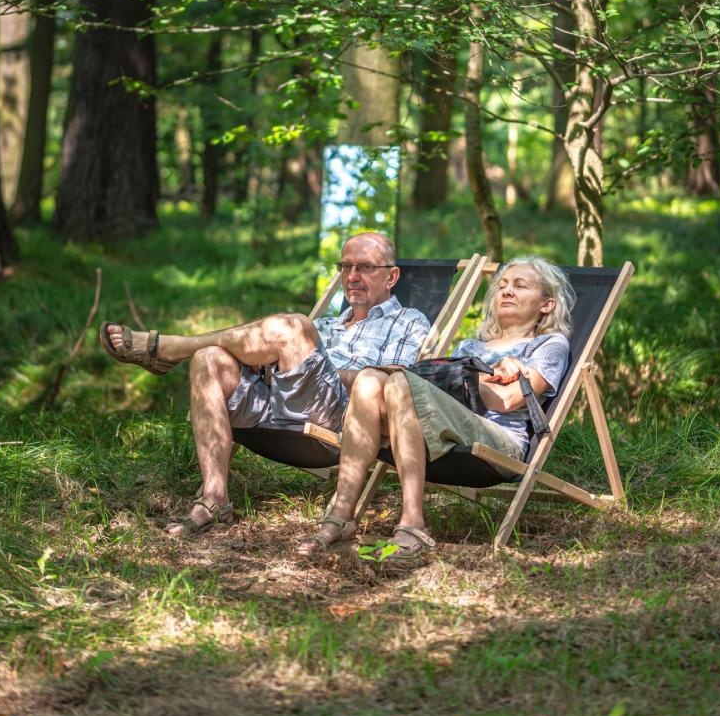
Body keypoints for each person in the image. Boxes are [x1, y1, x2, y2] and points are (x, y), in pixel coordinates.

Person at [99, 232, 430, 535]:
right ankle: (215, 498)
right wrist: (277, 365)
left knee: (295, 327)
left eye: (365, 267)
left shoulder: (409, 322)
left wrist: (303, 361)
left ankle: (172, 348)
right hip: (278, 401)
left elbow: (392, 387)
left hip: (341, 419)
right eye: (346, 267)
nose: (352, 276)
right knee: (209, 359)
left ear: (391, 276)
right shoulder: (327, 324)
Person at [299, 255, 575, 565]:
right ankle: (340, 515)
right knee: (368, 379)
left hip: (499, 443)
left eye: (520, 286)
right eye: (502, 286)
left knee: (401, 383)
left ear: (546, 304)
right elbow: (447, 392)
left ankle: (413, 522)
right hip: (445, 430)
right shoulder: (471, 347)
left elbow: (508, 401)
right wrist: (479, 375)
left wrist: (470, 378)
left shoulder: (549, 344)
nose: (507, 292)